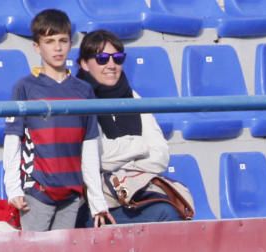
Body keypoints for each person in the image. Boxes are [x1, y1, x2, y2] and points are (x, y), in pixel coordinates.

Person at [3, 9, 113, 231]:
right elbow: (13, 141)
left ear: (71, 43)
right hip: (37, 193)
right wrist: (13, 189)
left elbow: (90, 146)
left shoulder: (84, 90)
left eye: (63, 40)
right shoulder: (25, 87)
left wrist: (96, 200)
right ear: (37, 46)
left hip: (72, 195)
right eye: (49, 41)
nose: (57, 47)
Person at [75, 30, 184, 225]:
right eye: (102, 58)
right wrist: (141, 148)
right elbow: (98, 157)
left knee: (168, 211)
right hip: (95, 204)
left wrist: (120, 162)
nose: (111, 65)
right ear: (84, 63)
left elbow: (161, 156)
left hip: (133, 196)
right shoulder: (79, 100)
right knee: (165, 214)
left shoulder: (132, 97)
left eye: (117, 58)